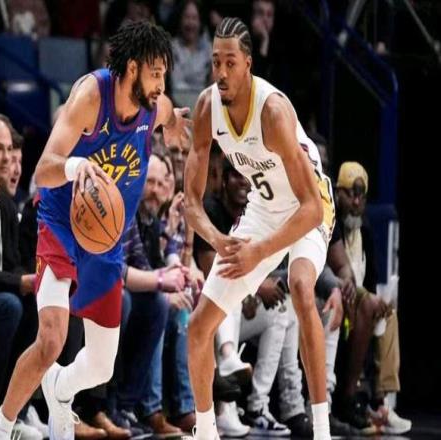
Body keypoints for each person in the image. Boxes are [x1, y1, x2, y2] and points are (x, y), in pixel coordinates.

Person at [0, 20, 190, 440]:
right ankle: (0, 430)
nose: (161, 84)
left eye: (164, 75)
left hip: (105, 239)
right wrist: (76, 165)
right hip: (62, 223)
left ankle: (60, 389)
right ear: (132, 68)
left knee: (101, 366)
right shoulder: (90, 96)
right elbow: (43, 170)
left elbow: (168, 111)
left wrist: (173, 125)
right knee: (51, 340)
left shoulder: (154, 105)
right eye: (155, 74)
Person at [184, 17, 335, 440]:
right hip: (264, 209)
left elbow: (311, 209)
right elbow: (192, 203)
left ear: (247, 63)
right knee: (198, 327)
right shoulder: (206, 108)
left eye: (230, 62)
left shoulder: (273, 111)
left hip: (309, 204)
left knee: (302, 287)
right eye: (215, 62)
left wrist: (260, 252)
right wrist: (219, 240)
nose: (221, 72)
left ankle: (321, 429)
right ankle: (206, 431)